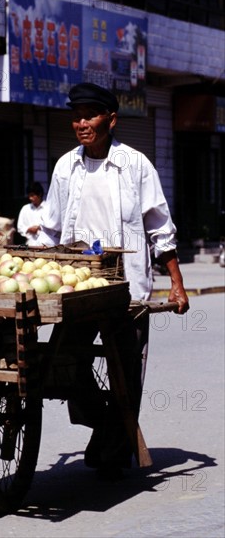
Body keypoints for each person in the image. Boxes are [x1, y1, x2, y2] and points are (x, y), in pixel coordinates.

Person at [39, 82, 190, 477]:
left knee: (126, 367)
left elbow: (160, 229)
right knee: (64, 364)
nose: (81, 122)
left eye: (90, 114)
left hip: (128, 290)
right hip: (77, 287)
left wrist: (176, 283)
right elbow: (49, 231)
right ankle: (106, 421)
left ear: (111, 119)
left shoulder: (136, 165)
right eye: (76, 115)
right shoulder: (65, 167)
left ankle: (114, 445)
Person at [17, 182, 46, 246]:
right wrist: (28, 229)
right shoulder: (25, 208)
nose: (30, 198)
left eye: (32, 195)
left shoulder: (48, 208)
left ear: (40, 194)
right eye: (29, 195)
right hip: (30, 244)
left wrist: (39, 228)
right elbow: (20, 227)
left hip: (45, 245)